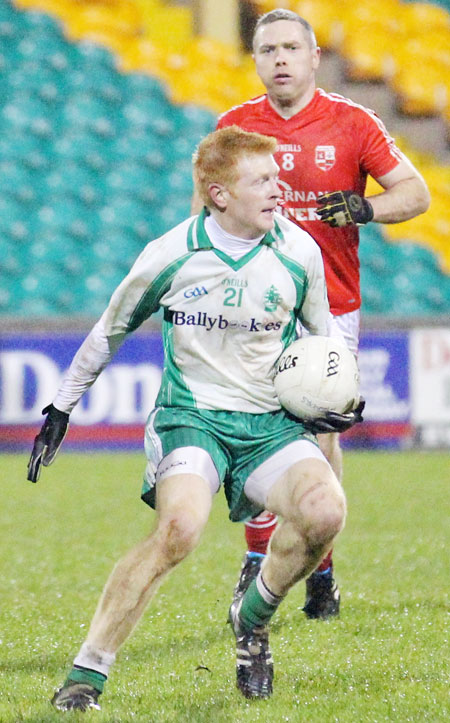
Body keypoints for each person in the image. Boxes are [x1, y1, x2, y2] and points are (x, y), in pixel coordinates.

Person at [27, 127, 365, 710]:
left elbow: (323, 340)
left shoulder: (298, 251)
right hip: (193, 418)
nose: (278, 188)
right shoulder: (171, 254)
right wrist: (61, 406)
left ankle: (252, 620)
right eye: (261, 180)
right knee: (179, 529)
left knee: (326, 512)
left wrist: (341, 395)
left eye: (277, 175)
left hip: (269, 423)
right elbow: (109, 330)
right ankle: (87, 673)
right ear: (218, 194)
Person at [210, 8, 430, 620]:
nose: (279, 59)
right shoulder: (233, 129)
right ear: (254, 62)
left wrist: (363, 208)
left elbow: (416, 193)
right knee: (252, 435)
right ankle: (257, 561)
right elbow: (202, 215)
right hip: (254, 309)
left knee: (322, 441)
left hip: (331, 309)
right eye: (266, 50)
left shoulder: (353, 121)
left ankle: (321, 563)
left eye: (290, 48)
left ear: (312, 57)